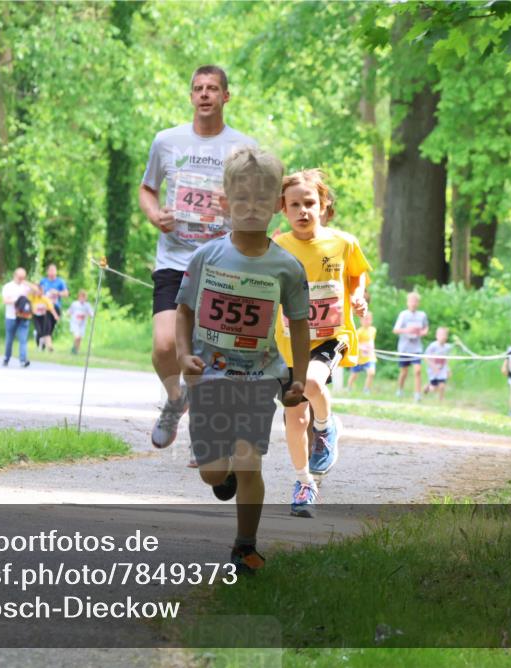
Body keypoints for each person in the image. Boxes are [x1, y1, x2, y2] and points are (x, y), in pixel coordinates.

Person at [174, 146, 309, 572]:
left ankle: (244, 547)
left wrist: (298, 380)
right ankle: (223, 472)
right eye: (242, 199)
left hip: (259, 377)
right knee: (213, 474)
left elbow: (300, 325)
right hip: (210, 377)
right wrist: (183, 355)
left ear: (276, 205)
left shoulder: (286, 267)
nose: (251, 208)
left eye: (261, 200)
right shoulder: (207, 257)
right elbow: (184, 311)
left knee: (251, 460)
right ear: (224, 202)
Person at [139, 64, 258, 450]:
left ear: (226, 96)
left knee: (212, 352)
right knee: (163, 346)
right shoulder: (166, 141)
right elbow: (147, 189)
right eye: (197, 88)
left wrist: (235, 208)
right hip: (174, 260)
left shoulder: (243, 148)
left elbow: (259, 205)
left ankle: (205, 430)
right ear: (191, 97)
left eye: (212, 88)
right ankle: (176, 400)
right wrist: (156, 215)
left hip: (224, 262)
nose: (204, 94)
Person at [273, 169, 370, 518]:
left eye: (309, 203)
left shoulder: (342, 242)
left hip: (331, 336)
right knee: (294, 416)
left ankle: (326, 426)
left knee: (312, 382)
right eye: (294, 204)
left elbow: (357, 273)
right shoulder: (277, 246)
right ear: (283, 209)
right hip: (287, 343)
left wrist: (358, 297)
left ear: (324, 204)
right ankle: (304, 482)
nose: (303, 210)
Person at [393, 291, 429, 402]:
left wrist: (422, 332)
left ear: (418, 303)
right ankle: (400, 390)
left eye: (415, 301)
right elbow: (395, 330)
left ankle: (417, 395)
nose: (413, 303)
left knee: (417, 371)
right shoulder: (403, 315)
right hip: (404, 348)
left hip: (416, 348)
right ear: (407, 303)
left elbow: (426, 328)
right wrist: (407, 330)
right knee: (404, 372)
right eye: (411, 301)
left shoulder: (422, 315)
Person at [2, 268, 35, 367]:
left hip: (23, 317)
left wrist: (27, 283)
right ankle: (6, 358)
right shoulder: (8, 286)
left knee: (23, 340)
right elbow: (5, 301)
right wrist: (17, 301)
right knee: (9, 340)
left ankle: (23, 360)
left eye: (23, 277)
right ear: (15, 275)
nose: (21, 279)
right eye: (20, 277)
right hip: (11, 317)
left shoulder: (25, 287)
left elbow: (37, 290)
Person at [347, 311, 376, 394]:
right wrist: (362, 347)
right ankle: (349, 388)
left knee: (371, 373)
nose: (367, 321)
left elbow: (371, 341)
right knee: (354, 375)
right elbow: (354, 343)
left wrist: (371, 348)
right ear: (361, 320)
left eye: (368, 319)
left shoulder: (373, 330)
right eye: (365, 319)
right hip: (359, 358)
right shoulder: (358, 332)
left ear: (371, 320)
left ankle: (366, 389)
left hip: (370, 357)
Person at [424, 326, 453, 400]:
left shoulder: (447, 347)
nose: (443, 337)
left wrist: (448, 369)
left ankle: (441, 399)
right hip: (433, 370)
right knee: (434, 388)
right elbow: (426, 357)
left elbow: (446, 359)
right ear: (437, 336)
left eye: (445, 335)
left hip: (442, 370)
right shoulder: (433, 346)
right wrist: (433, 367)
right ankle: (427, 387)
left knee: (442, 385)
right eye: (441, 335)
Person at [31, 285, 59, 352]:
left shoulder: (45, 299)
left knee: (44, 332)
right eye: (37, 291)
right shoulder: (33, 298)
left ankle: (45, 346)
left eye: (41, 291)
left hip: (43, 317)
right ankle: (39, 346)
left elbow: (51, 308)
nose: (39, 293)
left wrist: (55, 315)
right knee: (39, 331)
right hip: (36, 317)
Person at [68, 289, 94, 354]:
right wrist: (68, 314)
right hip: (75, 323)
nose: (82, 299)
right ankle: (74, 348)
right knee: (77, 336)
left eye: (84, 297)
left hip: (82, 324)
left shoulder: (87, 305)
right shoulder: (75, 304)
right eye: (81, 297)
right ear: (78, 297)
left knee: (80, 338)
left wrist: (90, 315)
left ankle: (77, 350)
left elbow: (91, 313)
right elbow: (70, 311)